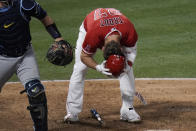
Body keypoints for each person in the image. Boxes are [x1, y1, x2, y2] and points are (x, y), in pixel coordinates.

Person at [64, 8, 141, 123]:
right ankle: (72, 112)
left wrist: (127, 66)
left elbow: (131, 52)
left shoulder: (129, 31)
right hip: (91, 25)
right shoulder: (93, 34)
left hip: (115, 23)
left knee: (126, 69)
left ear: (121, 47)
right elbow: (84, 56)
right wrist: (98, 67)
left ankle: (128, 109)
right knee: (80, 68)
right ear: (102, 47)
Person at [0, 0, 65, 130]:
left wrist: (58, 38)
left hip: (25, 55)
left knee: (36, 91)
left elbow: (44, 17)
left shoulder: (24, 4)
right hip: (2, 59)